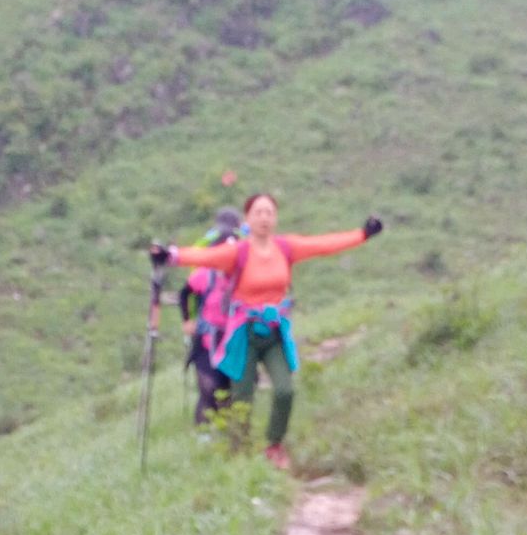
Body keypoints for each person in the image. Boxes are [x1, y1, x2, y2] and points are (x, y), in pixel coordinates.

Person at [151, 192, 383, 466]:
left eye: (269, 212)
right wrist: (171, 256)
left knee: (285, 390)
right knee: (242, 398)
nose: (264, 217)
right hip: (242, 334)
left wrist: (363, 234)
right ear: (248, 218)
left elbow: (323, 245)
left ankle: (274, 445)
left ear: (275, 218)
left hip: (274, 332)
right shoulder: (238, 252)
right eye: (258, 212)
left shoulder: (286, 248)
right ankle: (239, 453)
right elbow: (206, 257)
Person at [178, 205, 243, 424]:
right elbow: (185, 291)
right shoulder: (235, 239)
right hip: (212, 329)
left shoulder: (211, 240)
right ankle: (209, 430)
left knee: (219, 386)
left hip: (223, 330)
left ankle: (221, 430)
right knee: (212, 386)